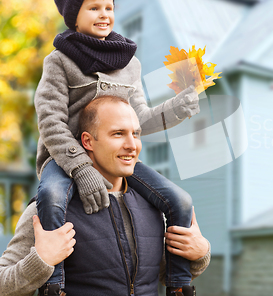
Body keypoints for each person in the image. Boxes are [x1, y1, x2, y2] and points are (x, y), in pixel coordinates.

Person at [34, 0, 201, 295]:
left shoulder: (130, 64)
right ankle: (53, 286)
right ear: (74, 16)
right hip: (65, 157)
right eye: (94, 7)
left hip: (113, 158)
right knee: (52, 197)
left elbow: (139, 118)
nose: (104, 14)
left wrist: (178, 108)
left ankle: (179, 284)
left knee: (180, 201)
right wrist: (80, 168)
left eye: (109, 7)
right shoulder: (59, 61)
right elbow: (50, 120)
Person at [0, 96, 210, 296]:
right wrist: (41, 260)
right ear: (88, 141)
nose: (132, 145)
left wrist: (200, 253)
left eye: (135, 134)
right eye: (118, 134)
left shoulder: (153, 204)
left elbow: (163, 274)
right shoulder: (51, 208)